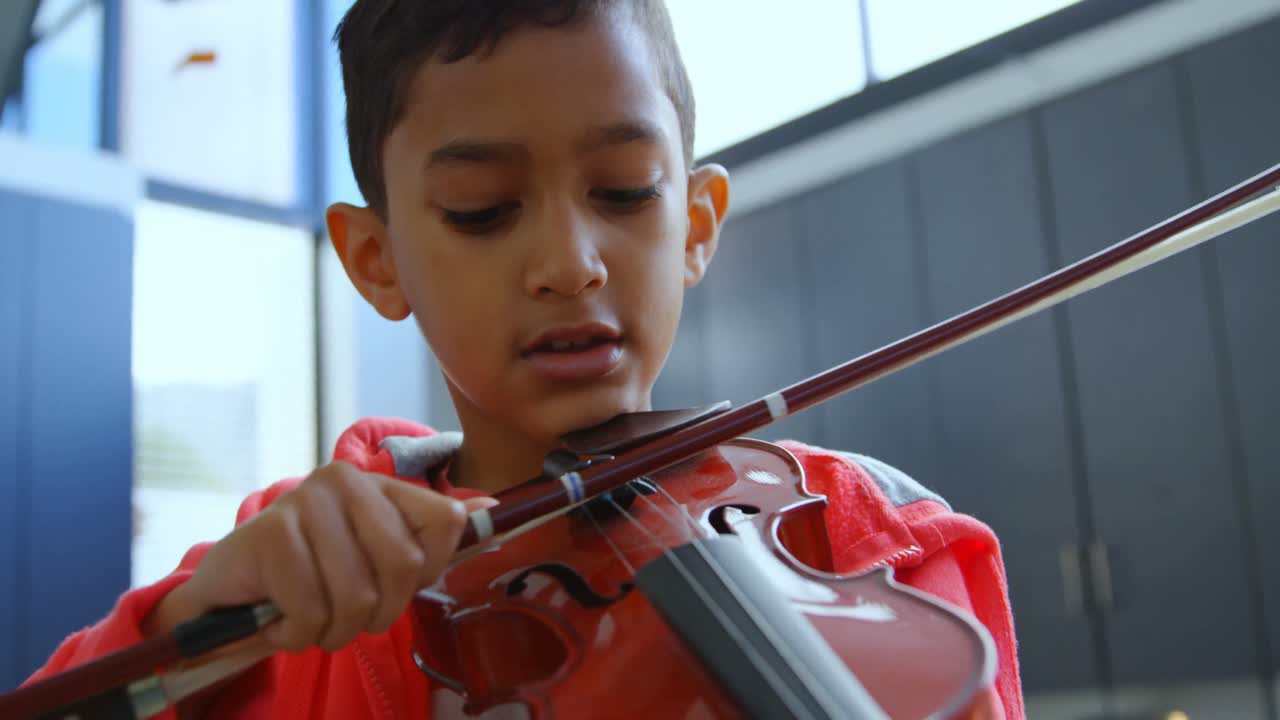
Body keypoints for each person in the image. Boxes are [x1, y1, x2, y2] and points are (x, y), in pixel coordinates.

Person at [25, 1, 1023, 717]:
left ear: (694, 225)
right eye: (482, 210)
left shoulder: (865, 535)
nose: (569, 264)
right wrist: (197, 627)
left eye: (625, 191)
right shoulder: (299, 574)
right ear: (376, 261)